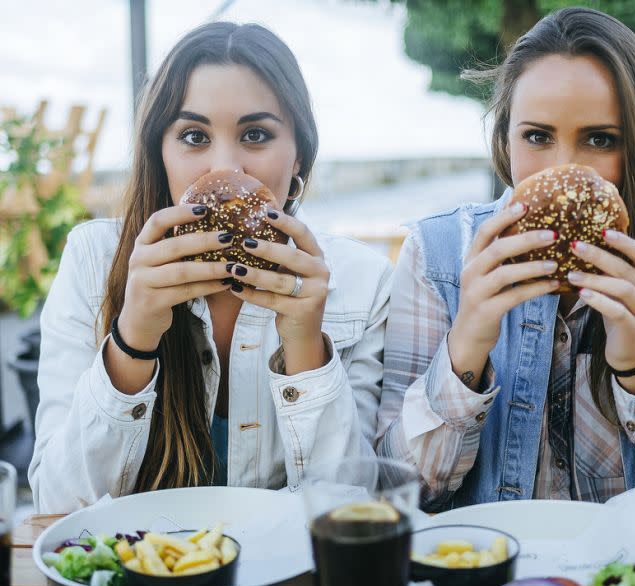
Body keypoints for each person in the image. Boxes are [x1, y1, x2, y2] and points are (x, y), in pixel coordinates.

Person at [377, 7, 635, 512]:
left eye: (600, 139)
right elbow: (393, 498)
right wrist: (466, 348)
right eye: (537, 136)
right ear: (504, 140)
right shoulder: (436, 256)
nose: (565, 169)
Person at [29, 22, 392, 513]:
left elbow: (352, 513)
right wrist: (132, 339)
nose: (226, 169)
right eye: (195, 136)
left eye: (256, 134)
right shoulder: (94, 260)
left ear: (300, 156)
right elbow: (58, 503)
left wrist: (305, 347)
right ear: (160, 153)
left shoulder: (363, 282)